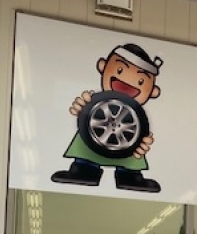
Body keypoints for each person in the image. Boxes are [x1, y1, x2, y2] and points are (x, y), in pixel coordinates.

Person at [51, 43, 163, 192]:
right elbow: (80, 107)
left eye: (140, 81)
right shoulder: (94, 99)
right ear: (103, 66)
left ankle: (129, 177)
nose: (126, 82)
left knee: (131, 161)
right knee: (86, 154)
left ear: (153, 91)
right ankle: (84, 171)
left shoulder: (139, 117)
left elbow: (144, 137)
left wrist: (143, 143)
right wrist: (81, 106)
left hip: (128, 147)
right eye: (120, 70)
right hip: (91, 140)